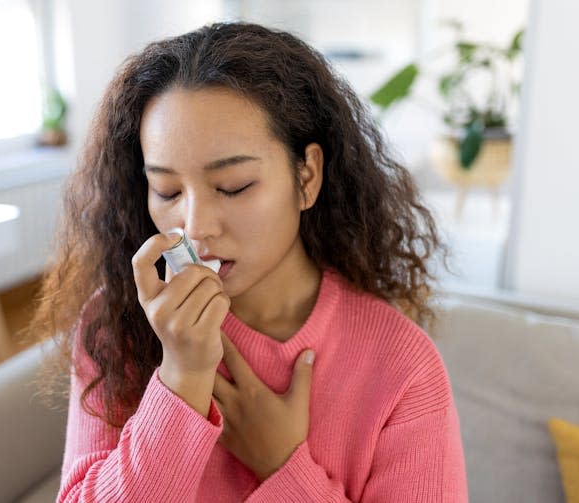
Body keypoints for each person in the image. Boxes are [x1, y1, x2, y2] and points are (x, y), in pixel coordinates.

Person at [30, 21, 468, 502]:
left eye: (233, 186)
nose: (195, 228)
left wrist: (282, 466)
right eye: (167, 190)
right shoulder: (115, 322)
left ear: (307, 176)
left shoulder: (401, 366)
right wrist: (181, 379)